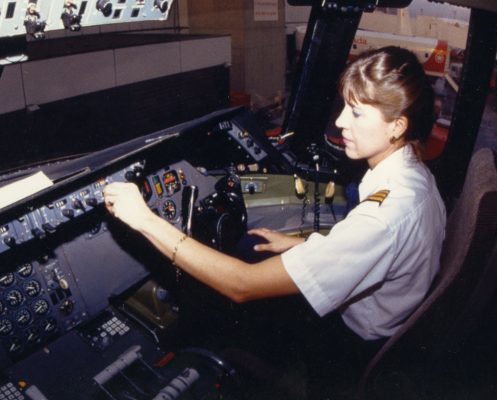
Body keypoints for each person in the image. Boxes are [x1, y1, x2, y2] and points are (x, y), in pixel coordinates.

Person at [103, 46, 446, 384]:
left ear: (397, 126)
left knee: (229, 305)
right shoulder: (414, 177)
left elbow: (241, 285)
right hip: (381, 323)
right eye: (344, 106)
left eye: (356, 113)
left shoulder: (384, 216)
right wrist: (305, 243)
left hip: (350, 345)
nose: (340, 121)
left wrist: (145, 220)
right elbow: (368, 246)